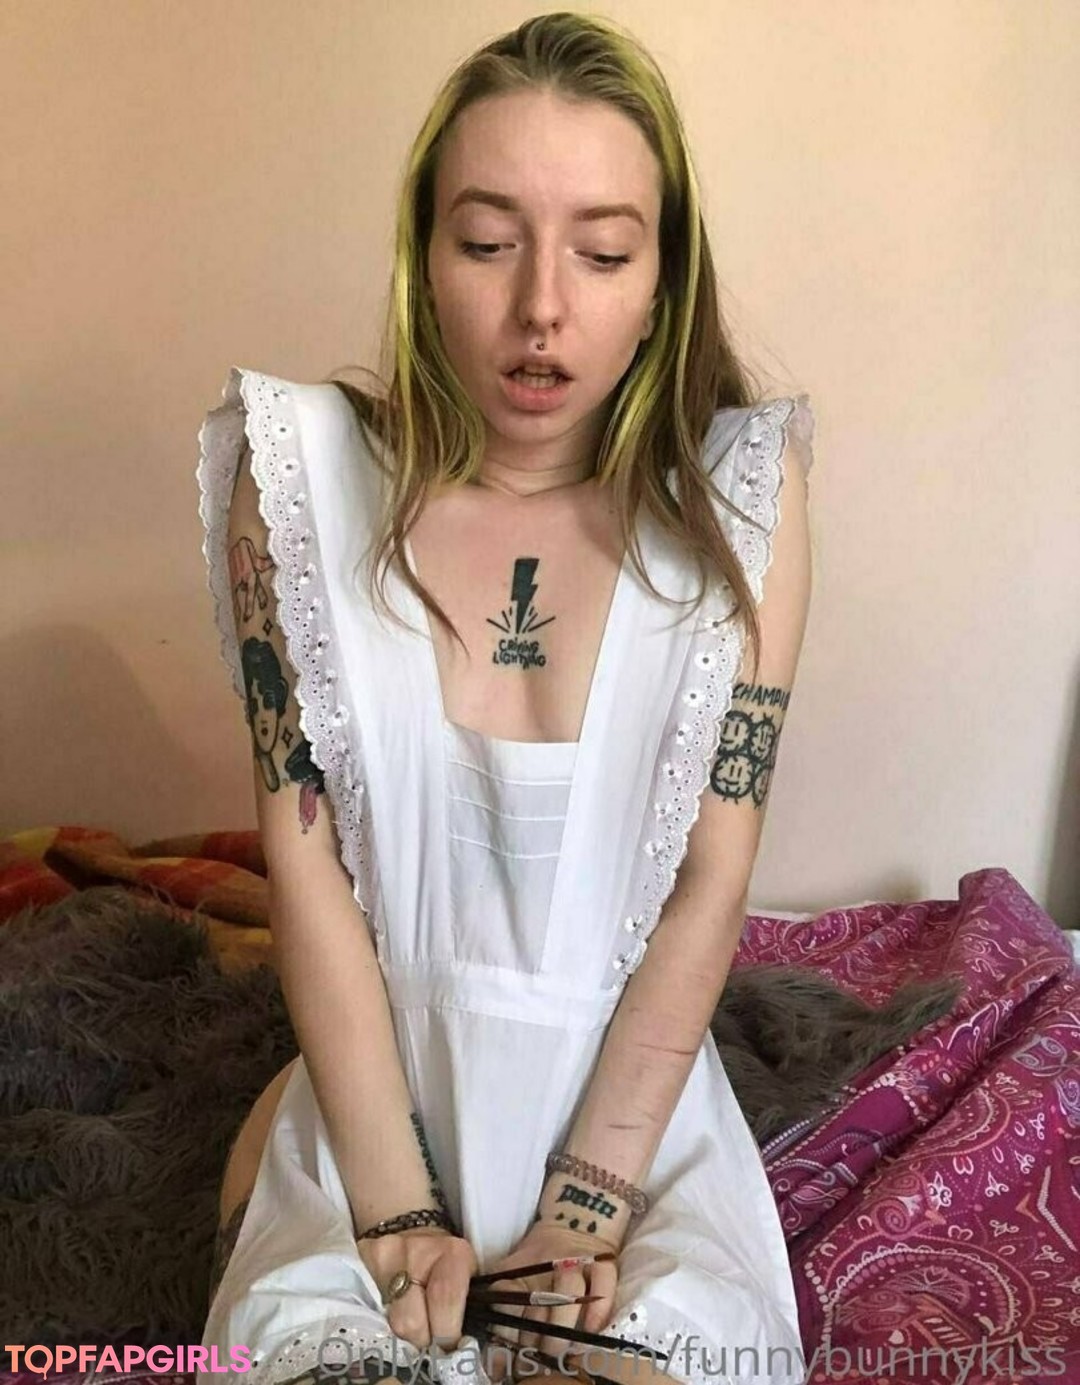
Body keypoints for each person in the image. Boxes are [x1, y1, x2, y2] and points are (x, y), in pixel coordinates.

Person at [195, 12, 816, 1385]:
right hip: (375, 1108)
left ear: (663, 279)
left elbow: (712, 879)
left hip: (630, 1126)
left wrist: (587, 1203)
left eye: (603, 252)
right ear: (422, 259)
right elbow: (303, 860)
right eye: (487, 242)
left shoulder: (740, 503)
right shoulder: (297, 481)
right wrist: (393, 1209)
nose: (543, 306)